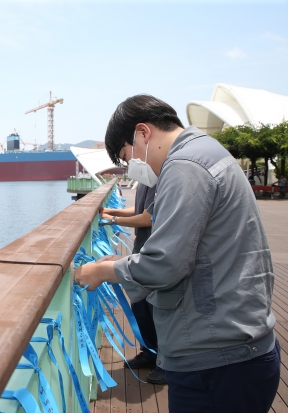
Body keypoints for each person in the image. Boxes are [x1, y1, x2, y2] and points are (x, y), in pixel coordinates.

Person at [75, 95, 279, 413]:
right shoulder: (205, 152)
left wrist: (101, 271)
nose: (133, 168)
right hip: (238, 347)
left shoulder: (185, 166)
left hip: (217, 360)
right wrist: (120, 262)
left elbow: (166, 263)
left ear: (143, 133)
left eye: (128, 158)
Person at [101, 183, 166, 385]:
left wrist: (112, 219)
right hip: (142, 251)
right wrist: (113, 210)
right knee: (140, 307)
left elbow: (148, 218)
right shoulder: (146, 181)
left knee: (159, 312)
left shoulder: (161, 177)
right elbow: (141, 210)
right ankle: (149, 352)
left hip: (157, 255)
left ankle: (166, 364)